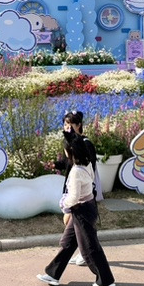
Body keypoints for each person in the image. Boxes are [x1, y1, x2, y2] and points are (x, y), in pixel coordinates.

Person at [38, 133, 116, 286]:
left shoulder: (76, 172)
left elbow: (73, 197)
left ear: (70, 152)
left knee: (89, 247)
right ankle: (53, 274)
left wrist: (64, 205)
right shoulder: (86, 164)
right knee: (68, 242)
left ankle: (105, 280)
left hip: (82, 210)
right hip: (85, 208)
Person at [53, 110, 102, 267]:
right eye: (65, 124)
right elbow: (68, 162)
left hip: (82, 191)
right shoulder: (71, 142)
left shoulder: (85, 143)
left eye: (71, 124)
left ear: (79, 125)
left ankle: (85, 254)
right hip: (72, 186)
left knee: (75, 224)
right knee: (75, 226)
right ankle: (82, 253)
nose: (67, 127)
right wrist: (55, 165)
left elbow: (89, 166)